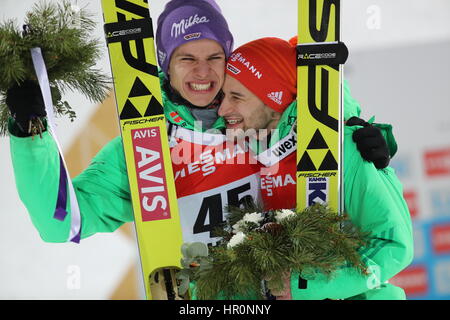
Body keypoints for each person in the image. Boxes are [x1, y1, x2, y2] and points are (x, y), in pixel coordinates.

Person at [218, 37, 414, 300]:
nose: (222, 109)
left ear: (274, 99)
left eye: (236, 97)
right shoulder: (254, 153)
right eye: (223, 96)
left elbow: (394, 246)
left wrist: (307, 286)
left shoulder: (342, 147)